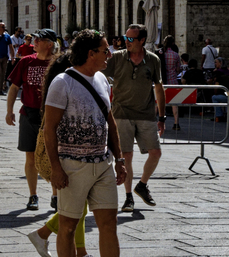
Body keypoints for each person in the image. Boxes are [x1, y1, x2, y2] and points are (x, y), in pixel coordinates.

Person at [43, 30, 125, 257]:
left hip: (103, 162)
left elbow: (110, 121)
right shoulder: (62, 83)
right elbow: (49, 129)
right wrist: (56, 168)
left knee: (109, 222)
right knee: (68, 226)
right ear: (91, 54)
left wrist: (120, 160)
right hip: (73, 166)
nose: (109, 54)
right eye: (105, 50)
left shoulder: (102, 80)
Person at [27, 54, 85, 257]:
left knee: (78, 204)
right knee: (77, 205)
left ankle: (79, 250)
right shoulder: (62, 87)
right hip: (68, 153)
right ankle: (44, 234)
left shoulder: (59, 85)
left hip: (76, 154)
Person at [104, 24, 165, 212]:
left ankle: (142, 185)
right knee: (126, 156)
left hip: (146, 114)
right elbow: (99, 74)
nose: (126, 42)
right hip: (121, 113)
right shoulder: (117, 58)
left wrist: (161, 116)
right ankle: (129, 197)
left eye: (131, 39)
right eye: (126, 38)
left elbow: (158, 88)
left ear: (142, 41)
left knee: (156, 153)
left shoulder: (153, 60)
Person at [7, 28, 57, 211]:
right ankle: (33, 195)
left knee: (54, 156)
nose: (34, 42)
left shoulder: (58, 63)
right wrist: (9, 110)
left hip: (51, 117)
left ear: (49, 44)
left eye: (39, 39)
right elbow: (14, 87)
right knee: (30, 156)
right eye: (34, 39)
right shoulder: (26, 62)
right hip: (28, 114)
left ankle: (55, 195)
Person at [161, 36, 183, 132]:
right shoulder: (175, 55)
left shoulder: (161, 54)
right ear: (173, 43)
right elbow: (178, 69)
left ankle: (160, 123)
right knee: (174, 103)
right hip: (173, 81)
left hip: (162, 81)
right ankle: (176, 123)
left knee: (159, 103)